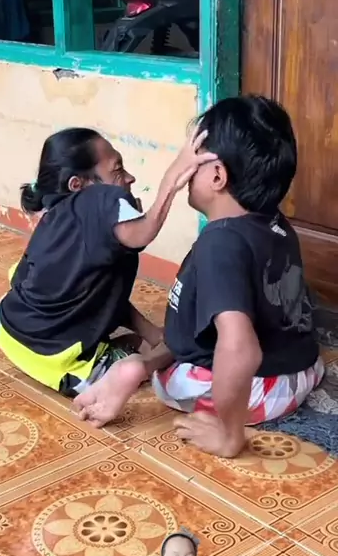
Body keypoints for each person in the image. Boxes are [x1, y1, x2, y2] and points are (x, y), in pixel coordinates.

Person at [74, 96, 324, 457]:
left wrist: (230, 435)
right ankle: (139, 366)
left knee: (172, 381)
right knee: (190, 335)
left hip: (262, 387)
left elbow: (240, 348)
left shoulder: (220, 244)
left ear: (218, 176)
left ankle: (161, 379)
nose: (186, 169)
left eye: (194, 159)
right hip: (303, 366)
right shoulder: (273, 222)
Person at [0, 126, 216, 396]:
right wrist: (174, 176)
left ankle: (140, 342)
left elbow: (98, 294)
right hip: (51, 357)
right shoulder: (98, 198)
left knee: (147, 339)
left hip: (5, 324)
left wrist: (153, 333)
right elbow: (143, 233)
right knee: (162, 354)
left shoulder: (54, 216)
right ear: (78, 185)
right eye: (118, 170)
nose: (130, 178)